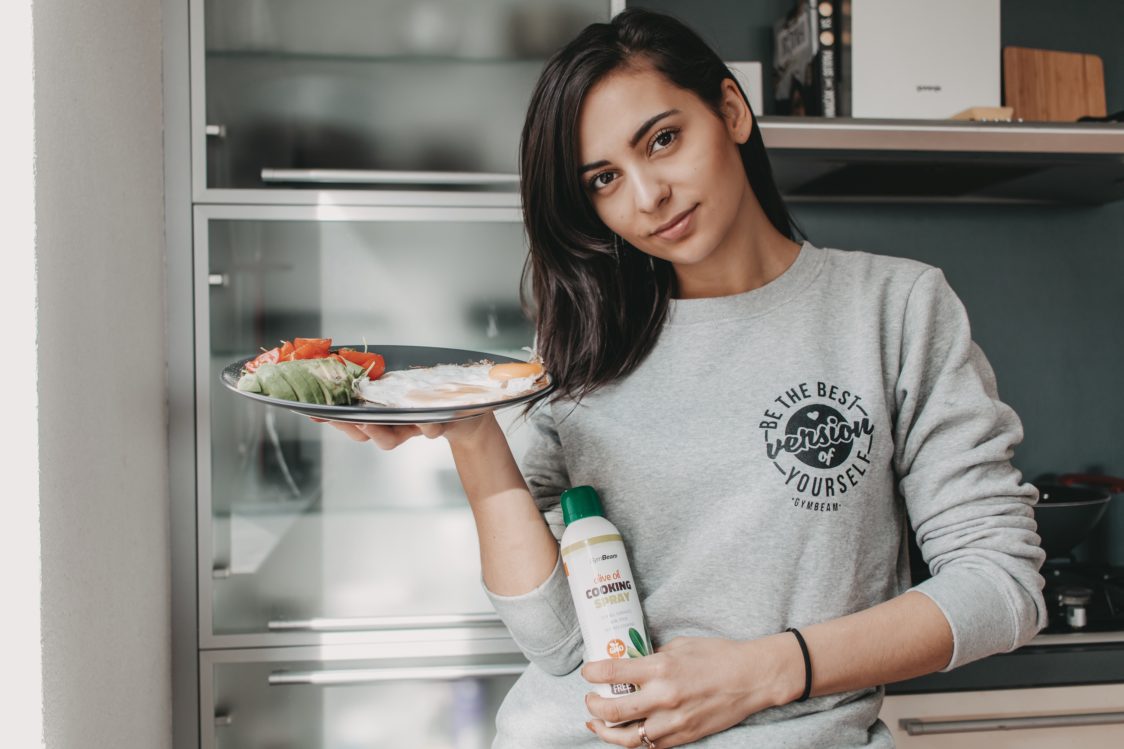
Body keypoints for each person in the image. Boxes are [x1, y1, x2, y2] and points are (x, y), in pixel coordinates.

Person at [321, 8, 1047, 748]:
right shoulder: (580, 344)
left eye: (662, 140)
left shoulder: (893, 309)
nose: (647, 197)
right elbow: (556, 644)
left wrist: (767, 671)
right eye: (605, 178)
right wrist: (474, 436)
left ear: (730, 111)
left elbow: (1002, 586)